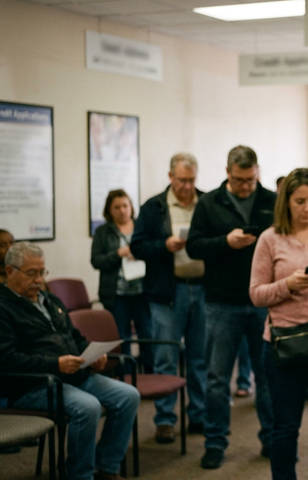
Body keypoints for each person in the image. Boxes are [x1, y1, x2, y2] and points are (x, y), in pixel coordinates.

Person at [0, 242, 140, 480]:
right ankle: (79, 475)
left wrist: (92, 355)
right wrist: (55, 364)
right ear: (10, 272)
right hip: (35, 385)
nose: (38, 279)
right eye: (31, 273)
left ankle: (107, 466)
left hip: (73, 375)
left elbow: (75, 337)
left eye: (42, 272)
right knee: (88, 407)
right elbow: (5, 360)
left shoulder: (50, 301)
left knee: (129, 396)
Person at [186, 145, 276, 470]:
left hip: (262, 301)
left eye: (251, 180)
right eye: (240, 180)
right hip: (222, 303)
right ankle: (214, 443)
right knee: (217, 378)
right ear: (228, 173)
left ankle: (271, 439)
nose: (246, 186)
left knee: (266, 376)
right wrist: (226, 241)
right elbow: (193, 246)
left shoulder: (271, 200)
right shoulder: (209, 203)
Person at [249, 168, 308, 480]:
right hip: (281, 344)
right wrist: (290, 284)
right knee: (284, 429)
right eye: (300, 201)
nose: (307, 208)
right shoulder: (270, 239)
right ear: (286, 202)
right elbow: (257, 295)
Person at [130, 152, 207, 443]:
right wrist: (165, 245)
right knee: (165, 356)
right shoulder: (154, 207)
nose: (187, 186)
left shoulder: (206, 202)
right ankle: (165, 419)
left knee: (199, 357)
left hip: (201, 287)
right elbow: (138, 246)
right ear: (170, 177)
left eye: (191, 180)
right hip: (167, 291)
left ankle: (198, 414)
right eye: (181, 180)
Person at [91, 189, 152, 373]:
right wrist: (117, 254)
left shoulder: (142, 226)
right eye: (116, 207)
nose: (122, 210)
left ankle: (151, 375)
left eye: (125, 206)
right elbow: (96, 261)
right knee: (122, 337)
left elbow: (154, 252)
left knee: (147, 335)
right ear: (109, 210)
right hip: (116, 294)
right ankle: (127, 376)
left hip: (143, 291)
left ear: (131, 207)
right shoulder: (103, 231)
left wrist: (140, 253)